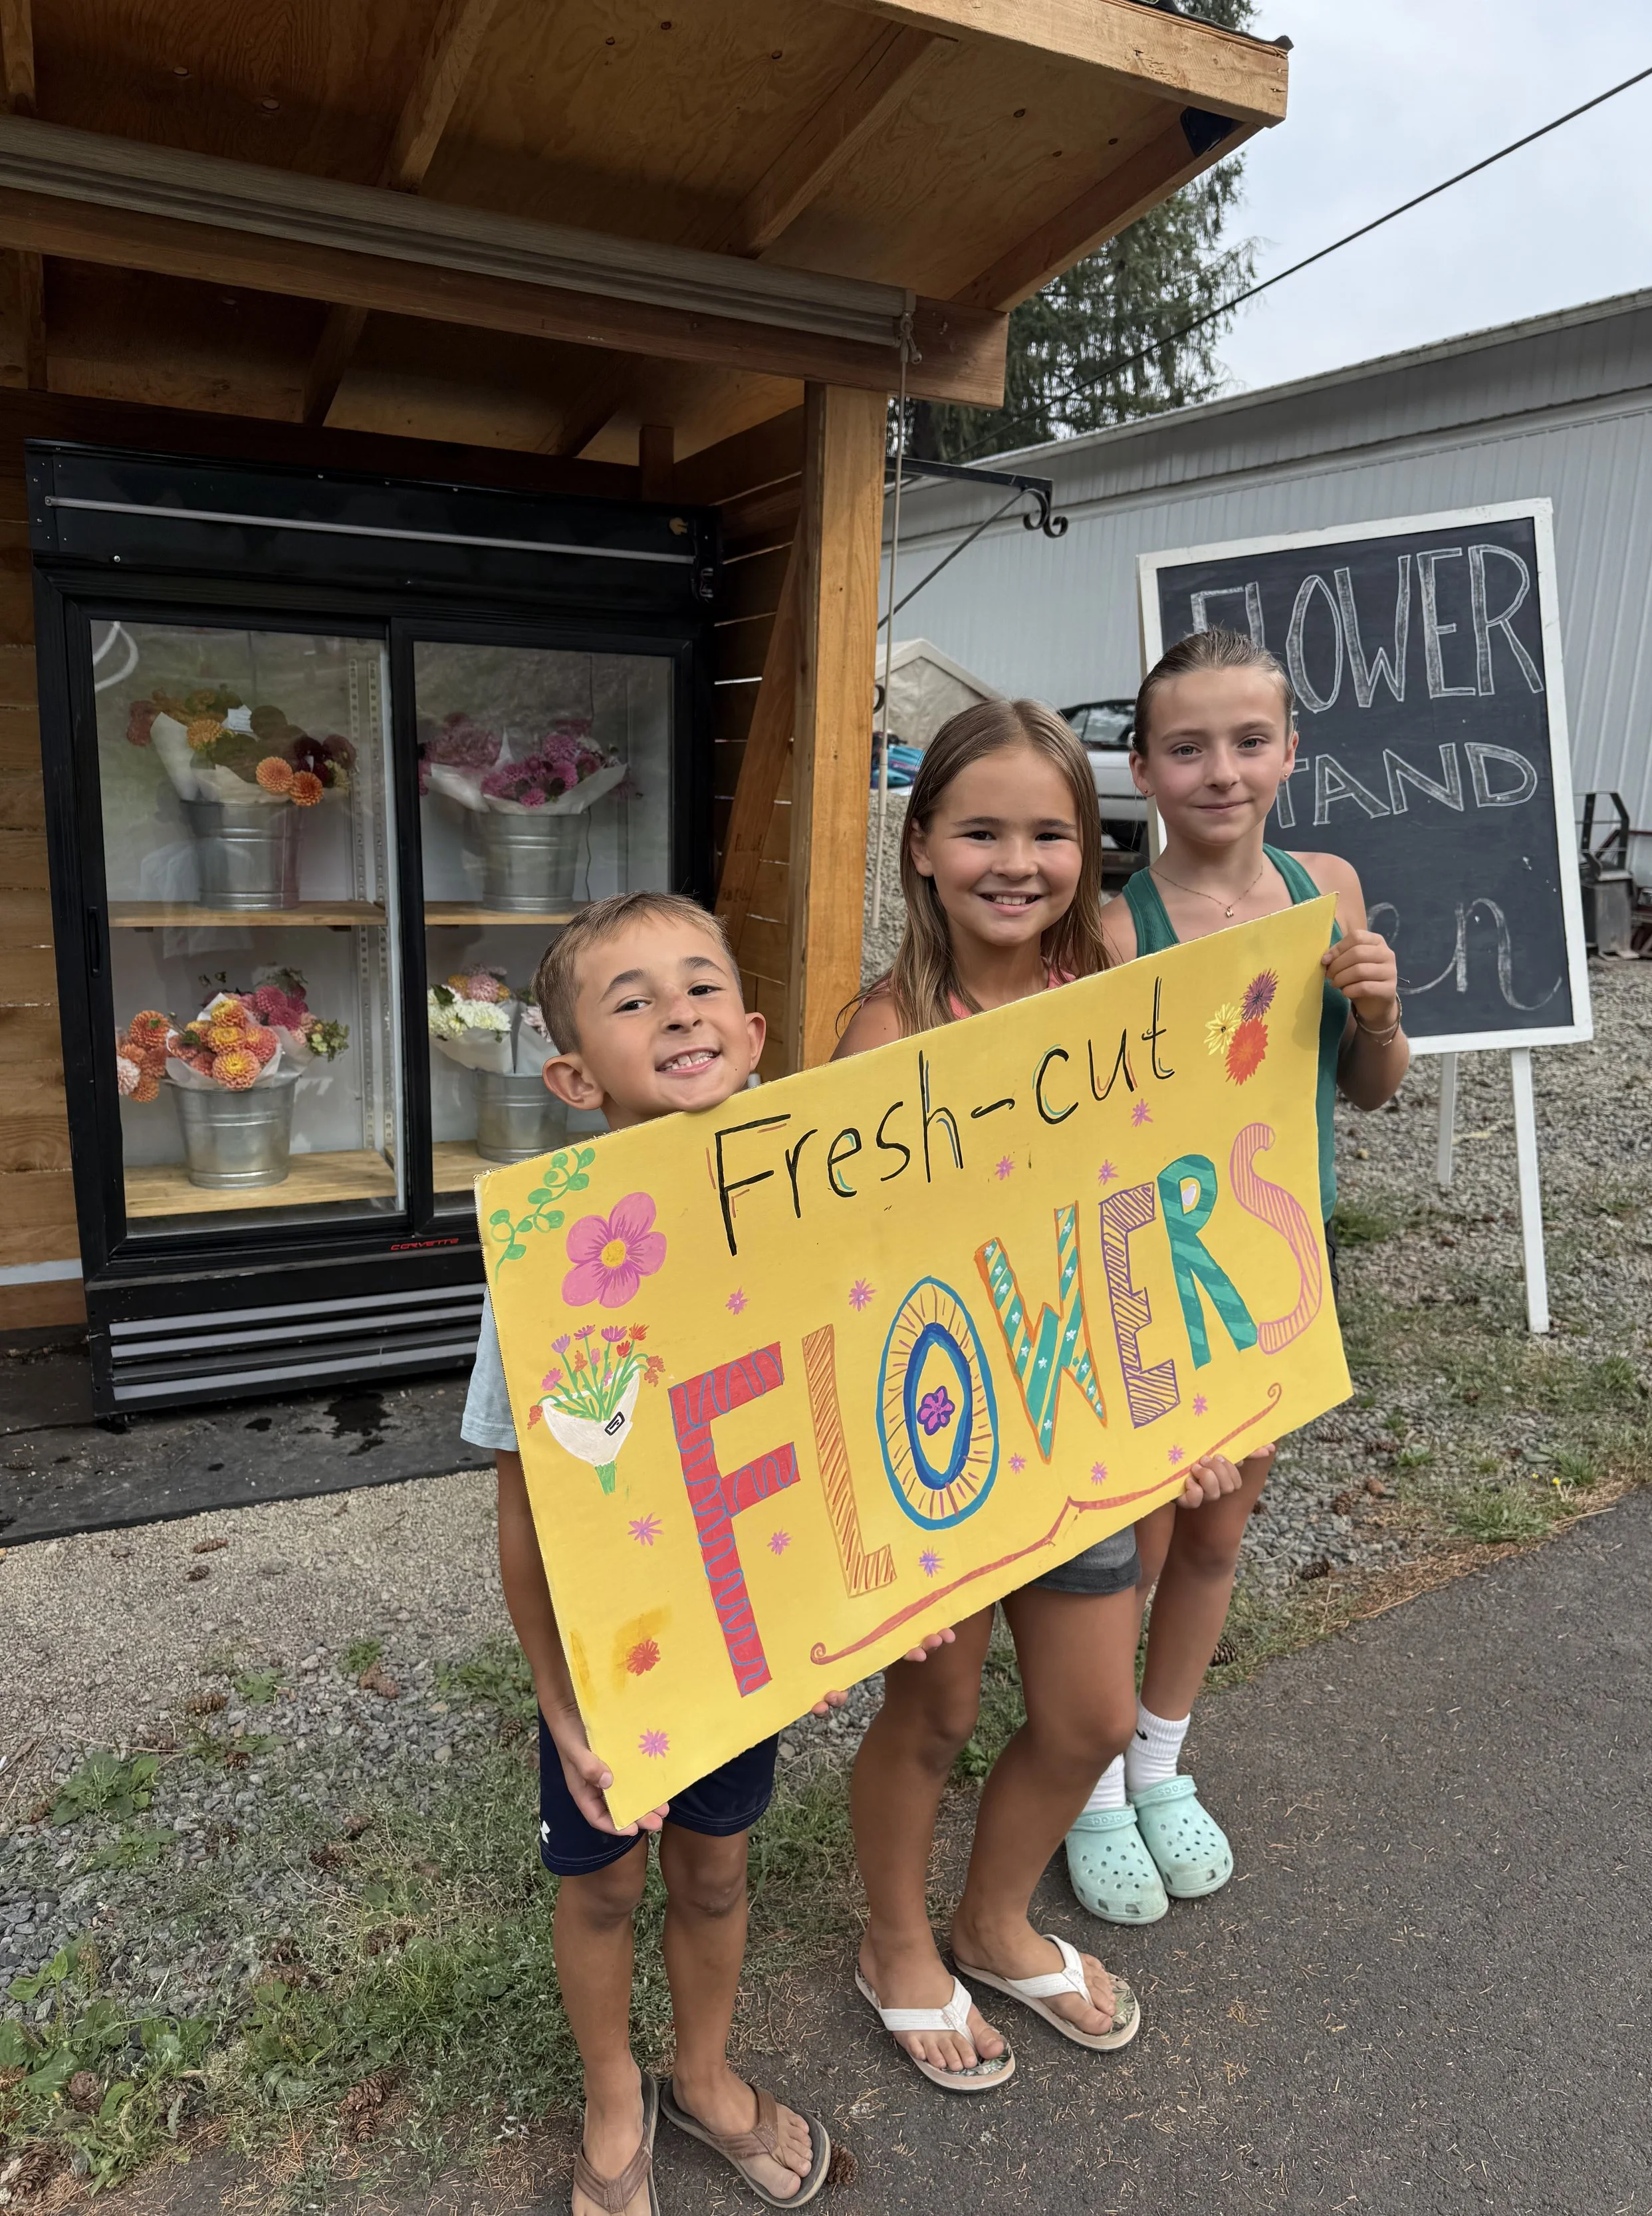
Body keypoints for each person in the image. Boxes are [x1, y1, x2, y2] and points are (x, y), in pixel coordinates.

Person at [835, 701, 1242, 2089]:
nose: (1016, 861)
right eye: (981, 829)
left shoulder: (1114, 995)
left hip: (1084, 1427)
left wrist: (1173, 1403)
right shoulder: (882, 1030)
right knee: (935, 1712)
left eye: (1050, 832)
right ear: (921, 846)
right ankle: (897, 1940)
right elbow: (850, 1283)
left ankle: (991, 1917)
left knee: (1087, 1720)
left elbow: (1141, 1208)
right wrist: (894, 1522)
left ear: (1090, 844)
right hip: (939, 1447)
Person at [461, 891, 842, 2216]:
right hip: (609, 1663)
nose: (675, 1009)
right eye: (632, 999)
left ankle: (702, 2069)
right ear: (572, 1075)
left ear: (748, 1034)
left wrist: (851, 1603)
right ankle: (612, 2086)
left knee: (720, 1862)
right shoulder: (549, 1267)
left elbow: (824, 1430)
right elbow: (525, 1518)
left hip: (747, 1645)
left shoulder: (797, 1230)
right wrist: (561, 1704)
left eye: (699, 987)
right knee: (606, 1879)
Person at [1066, 628, 1410, 1929]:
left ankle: (1159, 1762)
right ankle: (1092, 1785)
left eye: (1247, 741)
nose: (1221, 770)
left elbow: (1365, 1093)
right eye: (1186, 747)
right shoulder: (1108, 927)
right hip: (1151, 1279)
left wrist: (1378, 1013)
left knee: (1219, 1534)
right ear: (1141, 770)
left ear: (1289, 753)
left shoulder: (1328, 885)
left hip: (1277, 1270)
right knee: (1138, 1542)